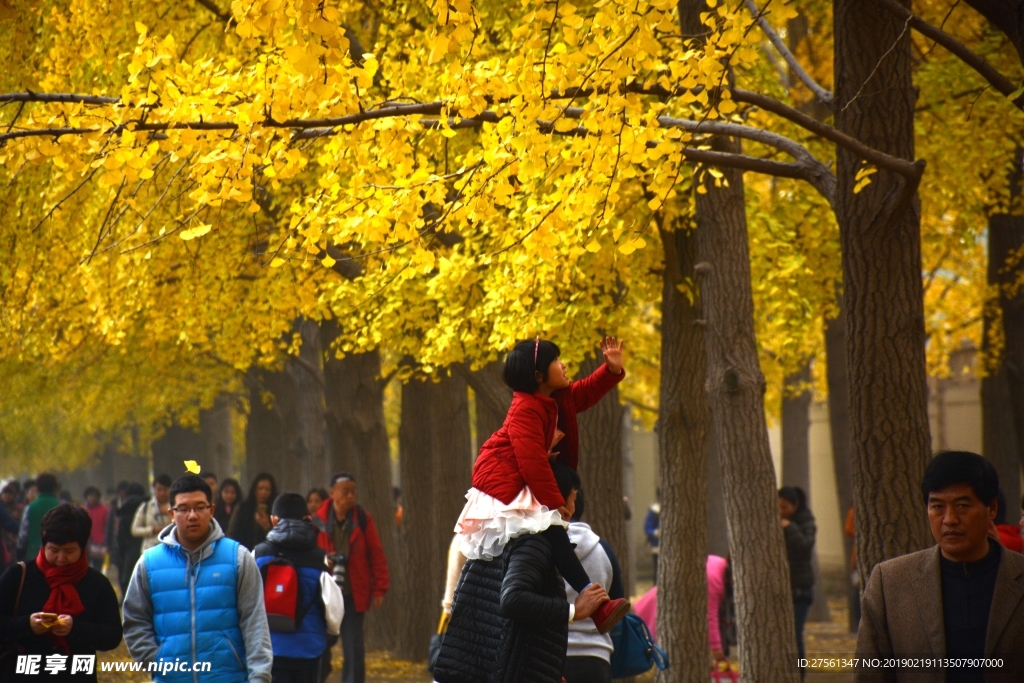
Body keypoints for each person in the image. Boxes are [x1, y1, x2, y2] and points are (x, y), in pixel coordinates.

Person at [454, 336, 629, 634]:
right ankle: (594, 603)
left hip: (522, 476)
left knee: (553, 534)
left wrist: (610, 370)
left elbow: (585, 393)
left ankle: (596, 605)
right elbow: (532, 461)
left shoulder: (556, 398)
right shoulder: (525, 408)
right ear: (538, 376)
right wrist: (554, 503)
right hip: (504, 480)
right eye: (555, 361)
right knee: (552, 530)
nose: (563, 364)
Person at [856, 451, 1024, 683]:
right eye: (937, 507)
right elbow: (870, 675)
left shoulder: (1017, 574)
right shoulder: (890, 582)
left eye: (962, 505)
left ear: (991, 509)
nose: (949, 519)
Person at [122, 474, 272, 683]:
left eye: (200, 507)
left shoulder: (238, 558)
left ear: (211, 510)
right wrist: (156, 660)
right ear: (171, 514)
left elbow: (255, 622)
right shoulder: (149, 563)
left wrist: (260, 677)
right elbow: (134, 620)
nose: (192, 515)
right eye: (183, 509)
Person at [0, 504, 123, 682]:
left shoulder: (96, 584)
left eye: (69, 551)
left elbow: (112, 636)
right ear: (44, 545)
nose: (60, 558)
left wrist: (75, 628)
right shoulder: (19, 576)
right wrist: (27, 625)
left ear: (82, 548)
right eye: (54, 550)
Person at [254, 492, 344, 683]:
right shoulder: (319, 557)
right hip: (308, 651)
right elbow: (333, 608)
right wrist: (328, 633)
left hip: (269, 648)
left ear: (273, 520)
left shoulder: (259, 554)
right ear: (308, 519)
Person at [313, 472, 389, 683]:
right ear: (332, 493)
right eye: (345, 491)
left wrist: (379, 588)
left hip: (353, 593)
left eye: (353, 492)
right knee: (319, 646)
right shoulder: (317, 521)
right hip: (324, 594)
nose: (350, 496)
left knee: (354, 649)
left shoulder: (363, 518)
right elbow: (309, 553)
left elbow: (376, 553)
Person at [563, 487, 625, 683]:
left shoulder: (537, 548)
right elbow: (616, 604)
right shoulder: (602, 549)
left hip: (551, 655)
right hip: (596, 657)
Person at [633, 555, 731, 667]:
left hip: (660, 602)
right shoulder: (714, 580)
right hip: (660, 610)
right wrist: (717, 650)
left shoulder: (718, 562)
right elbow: (710, 616)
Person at [779, 485, 815, 675]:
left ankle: (799, 674)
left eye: (785, 507)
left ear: (796, 505)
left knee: (795, 634)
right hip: (783, 588)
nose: (781, 512)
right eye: (778, 507)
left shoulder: (804, 521)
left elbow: (805, 546)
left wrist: (790, 527)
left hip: (801, 589)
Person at [18, 473, 61, 561]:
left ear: (38, 488)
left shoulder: (30, 507)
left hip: (34, 553)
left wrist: (20, 550)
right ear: (55, 487)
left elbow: (24, 532)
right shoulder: (62, 506)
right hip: (57, 554)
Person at [114, 483, 147, 598]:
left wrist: (121, 550)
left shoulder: (125, 507)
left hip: (130, 547)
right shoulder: (148, 505)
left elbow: (121, 531)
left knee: (127, 577)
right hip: (148, 544)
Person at [230, 473, 277, 550]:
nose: (263, 492)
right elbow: (232, 532)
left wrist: (267, 526)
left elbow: (278, 537)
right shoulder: (243, 507)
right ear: (255, 490)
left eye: (267, 489)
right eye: (260, 488)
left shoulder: (275, 510)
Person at [131, 474, 172, 553]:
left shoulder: (177, 506)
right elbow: (134, 530)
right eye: (159, 490)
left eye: (165, 489)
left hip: (171, 549)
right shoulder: (145, 507)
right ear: (154, 489)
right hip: (150, 550)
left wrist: (170, 512)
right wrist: (152, 530)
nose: (162, 493)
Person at [82, 487, 109, 572]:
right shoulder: (82, 510)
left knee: (97, 569)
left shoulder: (104, 510)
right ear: (86, 497)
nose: (92, 498)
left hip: (99, 544)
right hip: (84, 544)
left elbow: (107, 527)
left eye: (95, 496)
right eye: (90, 495)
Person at [644, 489, 660, 584]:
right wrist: (656, 532)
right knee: (657, 573)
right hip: (657, 547)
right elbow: (647, 528)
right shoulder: (653, 511)